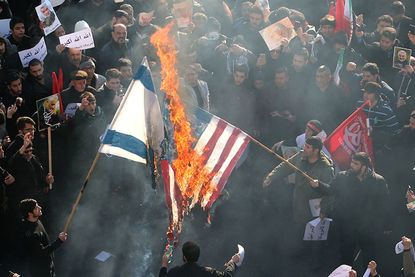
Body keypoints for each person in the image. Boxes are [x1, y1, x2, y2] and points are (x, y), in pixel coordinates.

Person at [313, 152, 390, 270]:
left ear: (364, 166)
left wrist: (386, 226)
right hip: (347, 226)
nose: (351, 165)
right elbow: (330, 190)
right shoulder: (343, 177)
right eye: (352, 162)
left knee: (369, 258)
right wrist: (318, 185)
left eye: (355, 163)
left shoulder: (378, 181)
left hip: (368, 227)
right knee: (345, 258)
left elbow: (384, 204)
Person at [263, 136, 334, 225]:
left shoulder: (326, 168)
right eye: (305, 145)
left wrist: (324, 210)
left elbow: (329, 191)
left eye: (308, 147)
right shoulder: (300, 156)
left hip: (314, 210)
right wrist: (271, 176)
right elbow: (286, 166)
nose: (304, 148)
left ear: (316, 150)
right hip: (298, 205)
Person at [18, 199, 67, 277]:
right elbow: (42, 253)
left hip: (48, 265)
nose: (40, 207)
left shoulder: (37, 221)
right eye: (36, 207)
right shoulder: (31, 233)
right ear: (30, 213)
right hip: (41, 271)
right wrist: (59, 241)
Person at [159, 241, 240, 277]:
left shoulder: (175, 272)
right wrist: (233, 262)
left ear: (184, 257)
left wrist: (164, 264)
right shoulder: (207, 273)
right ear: (198, 256)